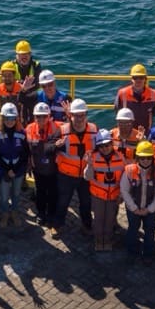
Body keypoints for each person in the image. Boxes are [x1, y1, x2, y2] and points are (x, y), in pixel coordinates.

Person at [53, 98, 96, 237]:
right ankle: (57, 225)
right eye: (76, 115)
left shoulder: (94, 130)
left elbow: (103, 148)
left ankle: (87, 225)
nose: (79, 119)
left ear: (86, 115)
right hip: (66, 175)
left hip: (85, 176)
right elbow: (47, 147)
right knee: (62, 201)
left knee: (86, 202)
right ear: (70, 115)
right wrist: (55, 146)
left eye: (82, 115)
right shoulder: (62, 130)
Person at [122, 140, 155, 261]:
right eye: (142, 158)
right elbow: (124, 191)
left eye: (148, 158)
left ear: (152, 158)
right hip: (133, 209)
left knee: (150, 230)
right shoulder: (129, 170)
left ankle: (148, 253)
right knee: (132, 229)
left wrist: (149, 209)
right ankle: (131, 251)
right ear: (137, 157)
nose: (145, 160)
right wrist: (134, 208)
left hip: (150, 210)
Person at [0, 103, 29, 228]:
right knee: (4, 196)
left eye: (12, 118)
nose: (9, 121)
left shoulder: (22, 132)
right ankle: (5, 213)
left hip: (18, 170)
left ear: (16, 118)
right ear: (2, 118)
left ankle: (14, 212)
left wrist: (15, 170)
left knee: (16, 194)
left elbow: (25, 154)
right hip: (3, 170)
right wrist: (7, 170)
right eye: (7, 118)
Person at [84, 130, 124, 253]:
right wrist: (89, 165)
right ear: (97, 147)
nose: (105, 148)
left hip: (113, 196)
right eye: (101, 146)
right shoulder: (92, 158)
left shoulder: (120, 157)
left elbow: (124, 178)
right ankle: (98, 240)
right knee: (98, 219)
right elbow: (87, 177)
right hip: (98, 196)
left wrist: (121, 194)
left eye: (107, 145)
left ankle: (107, 240)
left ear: (112, 144)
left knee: (110, 220)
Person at [25, 101, 61, 227]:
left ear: (49, 116)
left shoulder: (57, 127)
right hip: (38, 168)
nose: (41, 119)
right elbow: (26, 148)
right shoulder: (29, 128)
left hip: (53, 168)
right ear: (34, 117)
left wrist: (68, 114)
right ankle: (41, 213)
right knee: (40, 192)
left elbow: (74, 125)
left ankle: (51, 214)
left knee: (52, 192)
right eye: (38, 116)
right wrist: (28, 164)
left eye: (44, 116)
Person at [114, 64, 155, 132]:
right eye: (135, 78)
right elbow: (117, 110)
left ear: (145, 79)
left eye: (141, 77)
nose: (138, 80)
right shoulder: (122, 93)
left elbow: (154, 112)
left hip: (145, 130)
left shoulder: (154, 94)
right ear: (131, 79)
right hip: (127, 131)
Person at [10, 40, 42, 114]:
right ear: (17, 55)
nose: (24, 56)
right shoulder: (11, 65)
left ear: (30, 54)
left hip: (33, 97)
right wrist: (22, 87)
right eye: (21, 54)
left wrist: (19, 84)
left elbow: (36, 84)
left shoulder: (36, 65)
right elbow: (9, 84)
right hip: (16, 97)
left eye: (26, 54)